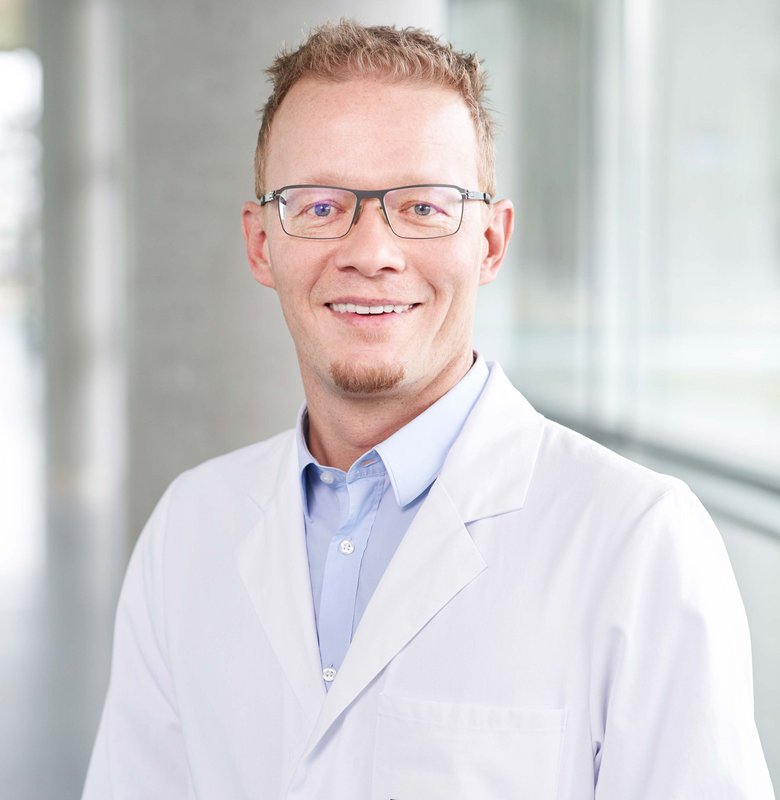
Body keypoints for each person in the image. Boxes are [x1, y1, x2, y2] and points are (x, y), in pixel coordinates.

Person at [82, 20, 775, 800]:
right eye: (317, 206)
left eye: (422, 206)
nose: (371, 251)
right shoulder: (189, 528)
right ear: (259, 244)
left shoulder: (637, 540)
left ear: (490, 240)